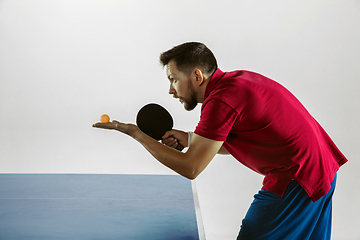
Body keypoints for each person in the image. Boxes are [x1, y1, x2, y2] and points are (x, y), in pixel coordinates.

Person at [93, 42, 347, 239]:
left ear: (196, 76)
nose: (170, 90)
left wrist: (135, 133)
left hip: (298, 179)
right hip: (321, 168)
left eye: (173, 79)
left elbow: (191, 168)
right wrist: (192, 138)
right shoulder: (236, 81)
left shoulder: (220, 102)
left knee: (253, 233)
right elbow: (239, 138)